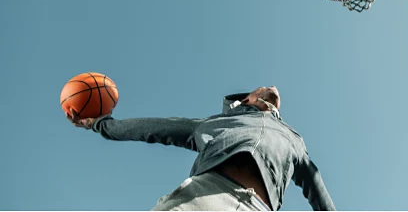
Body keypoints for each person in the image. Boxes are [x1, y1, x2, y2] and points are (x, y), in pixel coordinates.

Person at [68, 86, 336, 211]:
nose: (272, 89)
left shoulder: (293, 139)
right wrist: (99, 125)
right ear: (246, 100)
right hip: (203, 197)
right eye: (261, 89)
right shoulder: (216, 124)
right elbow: (154, 127)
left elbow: (317, 189)